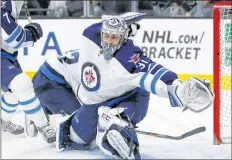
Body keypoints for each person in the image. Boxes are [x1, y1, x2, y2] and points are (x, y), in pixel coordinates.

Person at [32, 12, 214, 159]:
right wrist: (124, 21)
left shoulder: (129, 56)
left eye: (115, 37)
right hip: (89, 97)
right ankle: (104, 123)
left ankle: (116, 123)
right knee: (78, 140)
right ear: (101, 34)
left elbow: (152, 70)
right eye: (107, 36)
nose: (109, 40)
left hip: (125, 95)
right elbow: (106, 26)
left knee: (128, 107)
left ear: (123, 38)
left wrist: (176, 86)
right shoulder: (90, 35)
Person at [1, 0, 56, 143]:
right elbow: (15, 38)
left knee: (11, 93)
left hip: (6, 55)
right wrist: (31, 33)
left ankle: (3, 120)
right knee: (22, 84)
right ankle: (43, 125)